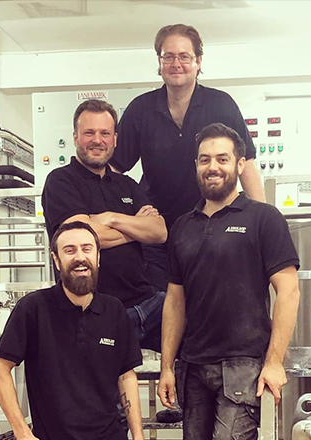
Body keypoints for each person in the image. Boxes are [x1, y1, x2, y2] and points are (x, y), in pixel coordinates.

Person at [157, 123, 300, 439]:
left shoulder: (264, 218)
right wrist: (167, 366)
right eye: (204, 159)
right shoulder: (182, 227)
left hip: (243, 367)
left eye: (222, 159)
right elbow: (175, 301)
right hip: (192, 366)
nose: (213, 167)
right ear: (196, 165)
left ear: (239, 164)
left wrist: (274, 362)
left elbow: (288, 291)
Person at [110, 23, 265, 293]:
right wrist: (124, 214)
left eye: (184, 56)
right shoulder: (140, 110)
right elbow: (114, 170)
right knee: (164, 311)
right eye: (168, 56)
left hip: (217, 229)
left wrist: (263, 221)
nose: (176, 63)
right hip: (160, 238)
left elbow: (246, 163)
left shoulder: (222, 105)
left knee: (214, 307)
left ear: (198, 62)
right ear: (159, 63)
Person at [0, 221, 145, 440]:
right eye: (69, 250)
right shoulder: (33, 308)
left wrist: (138, 435)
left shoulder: (114, 309)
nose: (80, 257)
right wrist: (22, 431)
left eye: (86, 248)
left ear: (98, 257)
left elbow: (126, 376)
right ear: (56, 260)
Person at [42, 99, 167, 351]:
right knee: (103, 386)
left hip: (148, 305)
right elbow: (83, 239)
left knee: (195, 324)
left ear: (115, 139)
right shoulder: (60, 181)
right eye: (89, 133)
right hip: (97, 310)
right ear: (76, 137)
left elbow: (159, 231)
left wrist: (110, 217)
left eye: (105, 133)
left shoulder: (127, 185)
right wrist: (135, 230)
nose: (97, 140)